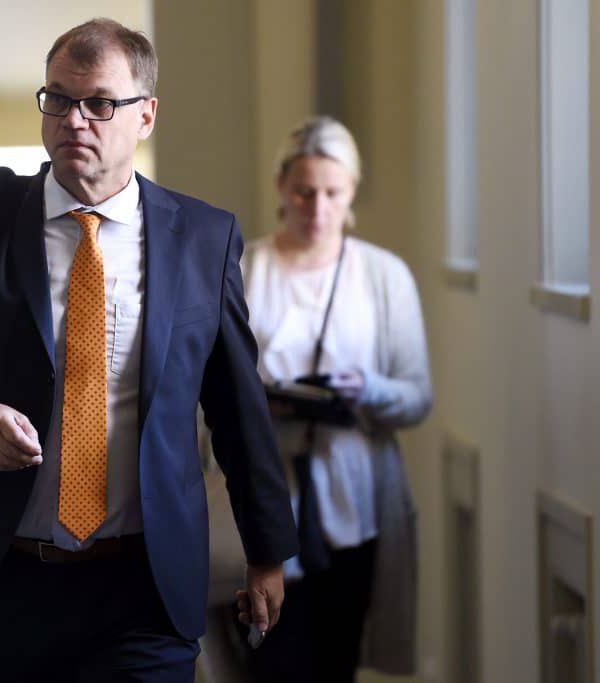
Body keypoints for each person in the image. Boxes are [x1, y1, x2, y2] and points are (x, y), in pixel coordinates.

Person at [0, 17, 297, 683]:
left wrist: (267, 551)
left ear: (145, 116)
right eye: (58, 98)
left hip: (143, 586)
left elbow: (237, 408)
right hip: (6, 579)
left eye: (100, 103)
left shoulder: (202, 238)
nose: (74, 120)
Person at [236, 115, 432, 681]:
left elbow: (417, 397)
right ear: (281, 186)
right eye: (304, 191)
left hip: (354, 501)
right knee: (269, 662)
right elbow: (209, 387)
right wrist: (260, 403)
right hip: (264, 503)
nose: (317, 208)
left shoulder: (384, 275)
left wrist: (365, 388)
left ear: (352, 193)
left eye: (332, 193)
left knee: (336, 661)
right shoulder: (247, 268)